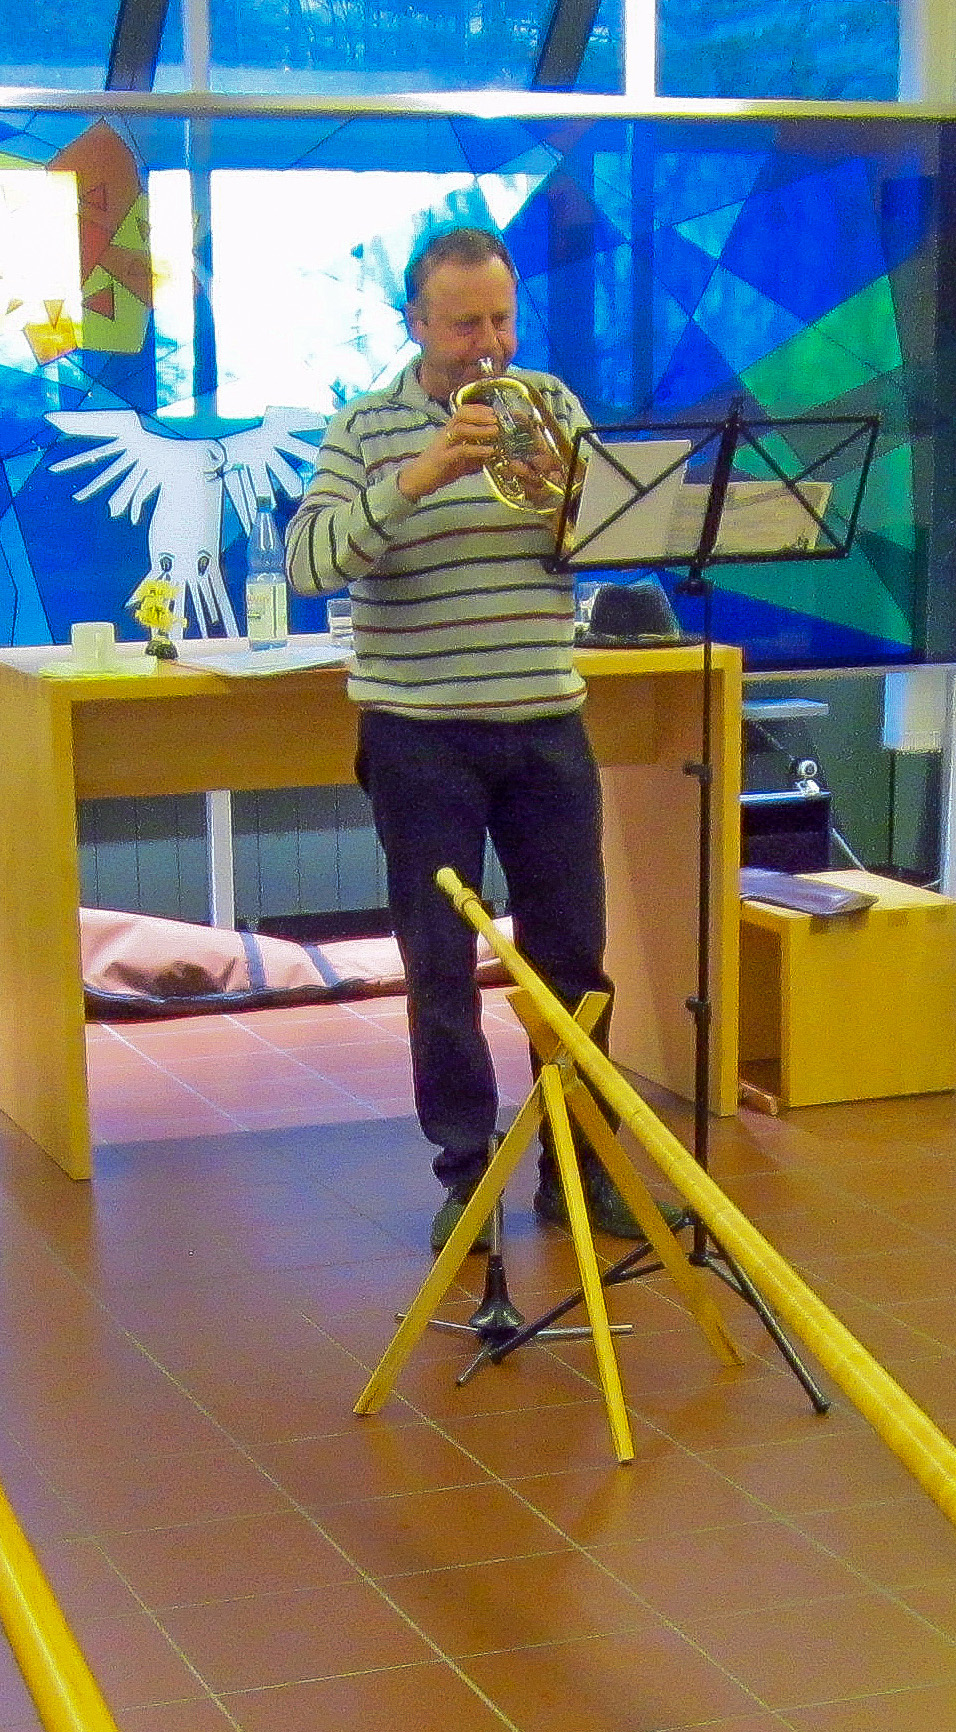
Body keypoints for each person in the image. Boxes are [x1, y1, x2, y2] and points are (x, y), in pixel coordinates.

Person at [287, 226, 646, 1253]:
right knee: (439, 962)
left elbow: (604, 534)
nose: (487, 343)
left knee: (573, 958)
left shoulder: (552, 406)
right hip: (419, 731)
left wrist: (582, 503)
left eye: (499, 318)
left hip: (544, 717)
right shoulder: (364, 428)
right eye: (463, 324)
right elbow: (309, 559)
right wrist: (418, 475)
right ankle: (465, 1174)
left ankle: (583, 1171)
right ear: (415, 323)